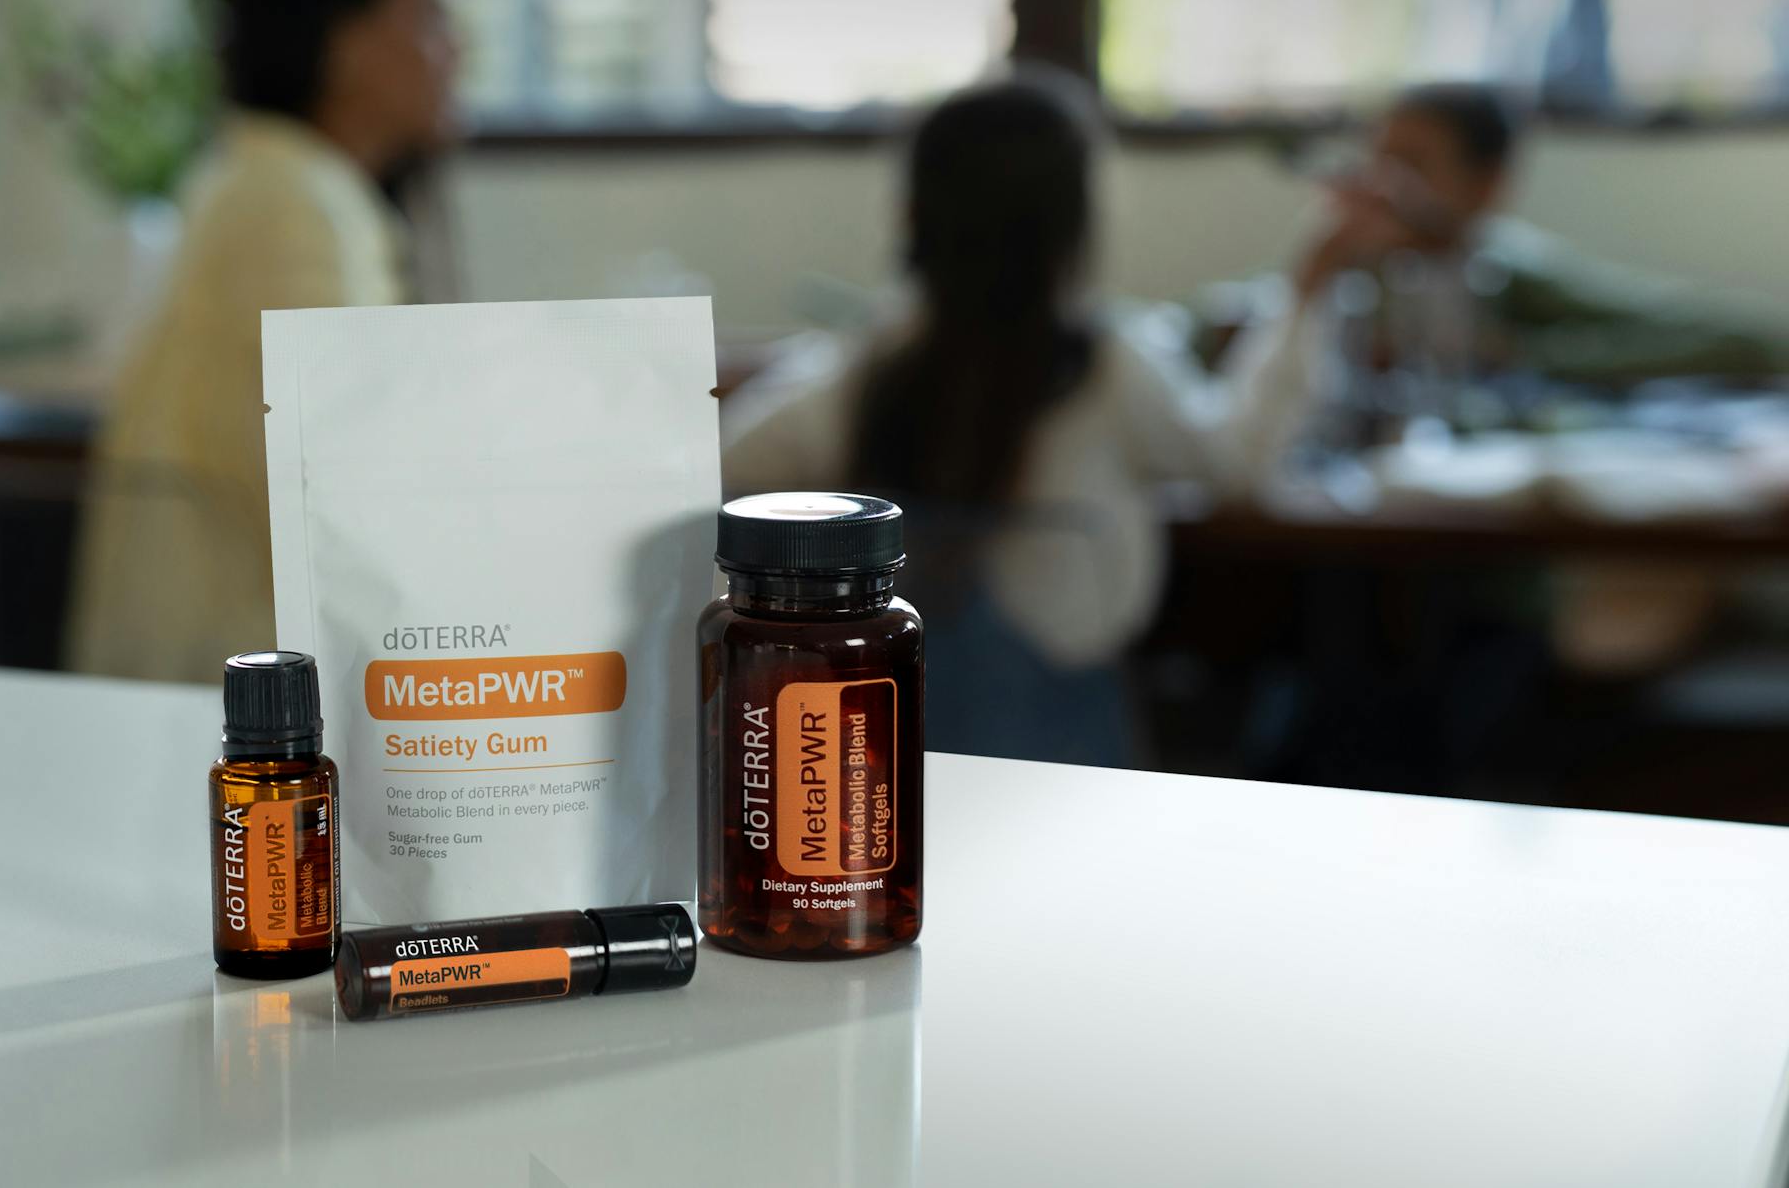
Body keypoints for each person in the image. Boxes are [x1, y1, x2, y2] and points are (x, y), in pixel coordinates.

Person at [721, 67, 1372, 764]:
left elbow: (730, 465)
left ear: (913, 214)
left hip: (881, 755)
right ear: (1075, 222)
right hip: (1071, 760)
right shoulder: (1110, 367)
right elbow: (1234, 467)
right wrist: (1310, 283)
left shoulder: (865, 370)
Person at [68, 0, 460, 681]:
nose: (456, 48)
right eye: (428, 17)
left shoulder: (277, 180)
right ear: (346, 45)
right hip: (231, 688)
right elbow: (350, 490)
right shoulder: (294, 205)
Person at [1302, 82, 1789, 389]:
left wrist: (1521, 357)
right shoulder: (1351, 262)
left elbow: (1751, 342)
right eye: (1378, 163)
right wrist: (1318, 270)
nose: (1383, 187)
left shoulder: (1510, 269)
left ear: (1488, 183)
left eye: (1412, 166)